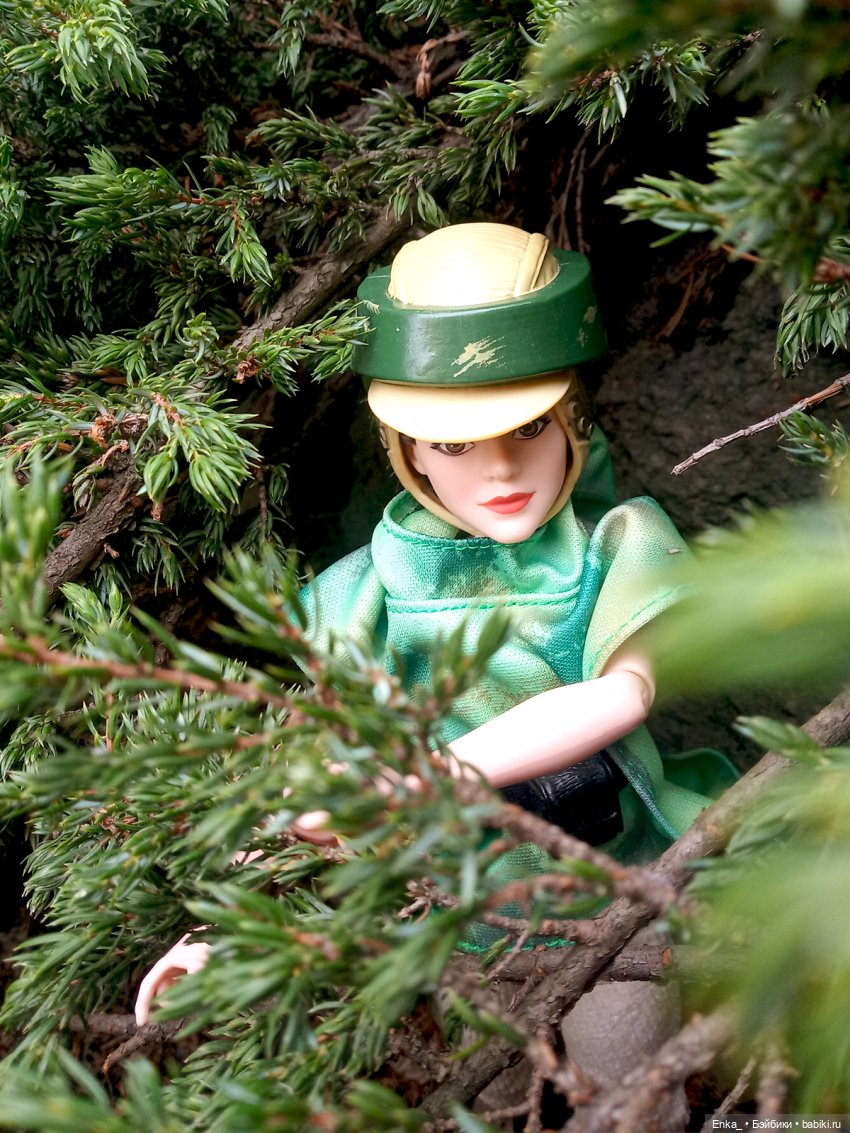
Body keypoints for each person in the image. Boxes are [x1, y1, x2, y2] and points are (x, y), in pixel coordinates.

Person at [135, 226, 731, 1118]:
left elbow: (621, 692)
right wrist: (220, 932)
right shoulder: (365, 595)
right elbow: (318, 782)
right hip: (454, 908)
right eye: (452, 444)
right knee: (494, 1091)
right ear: (406, 451)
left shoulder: (617, 543)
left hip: (606, 886)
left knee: (633, 1095)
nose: (497, 469)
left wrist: (443, 770)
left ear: (572, 415)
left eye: (528, 427)